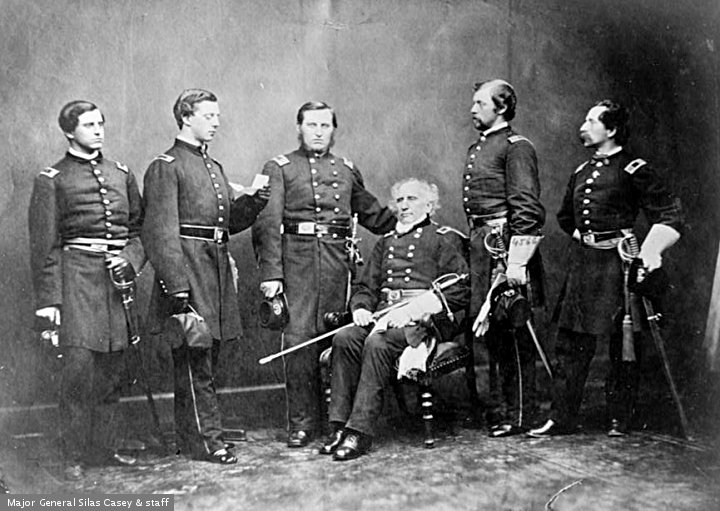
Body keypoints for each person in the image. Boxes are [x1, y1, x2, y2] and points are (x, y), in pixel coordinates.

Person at [528, 100, 683, 438]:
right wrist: (587, 238)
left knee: (621, 344)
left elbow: (669, 213)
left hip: (617, 265)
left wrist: (650, 248)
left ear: (611, 129)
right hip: (584, 265)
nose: (582, 127)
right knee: (570, 344)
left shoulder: (634, 169)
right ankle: (561, 417)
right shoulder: (581, 172)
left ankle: (619, 417)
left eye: (591, 121)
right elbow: (566, 217)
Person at [252, 101, 396, 447]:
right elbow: (267, 224)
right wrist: (272, 274)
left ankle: (338, 421)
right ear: (299, 128)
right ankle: (302, 423)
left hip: (337, 265)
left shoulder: (346, 169)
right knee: (299, 341)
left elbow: (373, 214)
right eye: (311, 125)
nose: (318, 132)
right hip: (296, 265)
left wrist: (411, 222)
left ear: (333, 130)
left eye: (325, 126)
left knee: (338, 340)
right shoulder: (280, 167)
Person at [142, 89, 269, 464]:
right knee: (195, 359)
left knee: (208, 358)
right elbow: (159, 233)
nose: (216, 122)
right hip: (188, 271)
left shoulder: (214, 166)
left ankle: (197, 435)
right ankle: (206, 440)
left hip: (216, 271)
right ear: (186, 117)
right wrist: (177, 285)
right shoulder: (166, 166)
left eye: (217, 116)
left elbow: (227, 225)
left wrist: (255, 200)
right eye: (208, 115)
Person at [29, 100, 145, 479]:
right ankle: (74, 456)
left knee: (112, 371)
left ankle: (104, 450)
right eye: (89, 125)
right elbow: (44, 246)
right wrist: (50, 301)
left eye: (100, 124)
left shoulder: (121, 173)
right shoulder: (52, 179)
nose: (98, 131)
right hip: (76, 281)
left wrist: (130, 259)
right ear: (69, 131)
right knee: (78, 371)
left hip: (115, 284)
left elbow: (139, 230)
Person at [319, 178, 470, 461]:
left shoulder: (444, 238)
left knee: (377, 343)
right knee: (345, 338)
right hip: (384, 316)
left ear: (429, 205)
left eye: (412, 199)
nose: (404, 206)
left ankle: (359, 432)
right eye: (400, 200)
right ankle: (338, 426)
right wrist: (361, 308)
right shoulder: (385, 242)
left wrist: (413, 311)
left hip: (422, 322)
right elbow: (366, 287)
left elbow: (458, 288)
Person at [463, 79, 546, 437]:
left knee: (513, 332)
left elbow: (526, 206)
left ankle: (521, 414)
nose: (472, 109)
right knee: (496, 336)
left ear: (501, 108)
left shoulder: (517, 147)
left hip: (504, 248)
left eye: (480, 103)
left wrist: (516, 262)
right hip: (483, 247)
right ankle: (502, 409)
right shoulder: (479, 147)